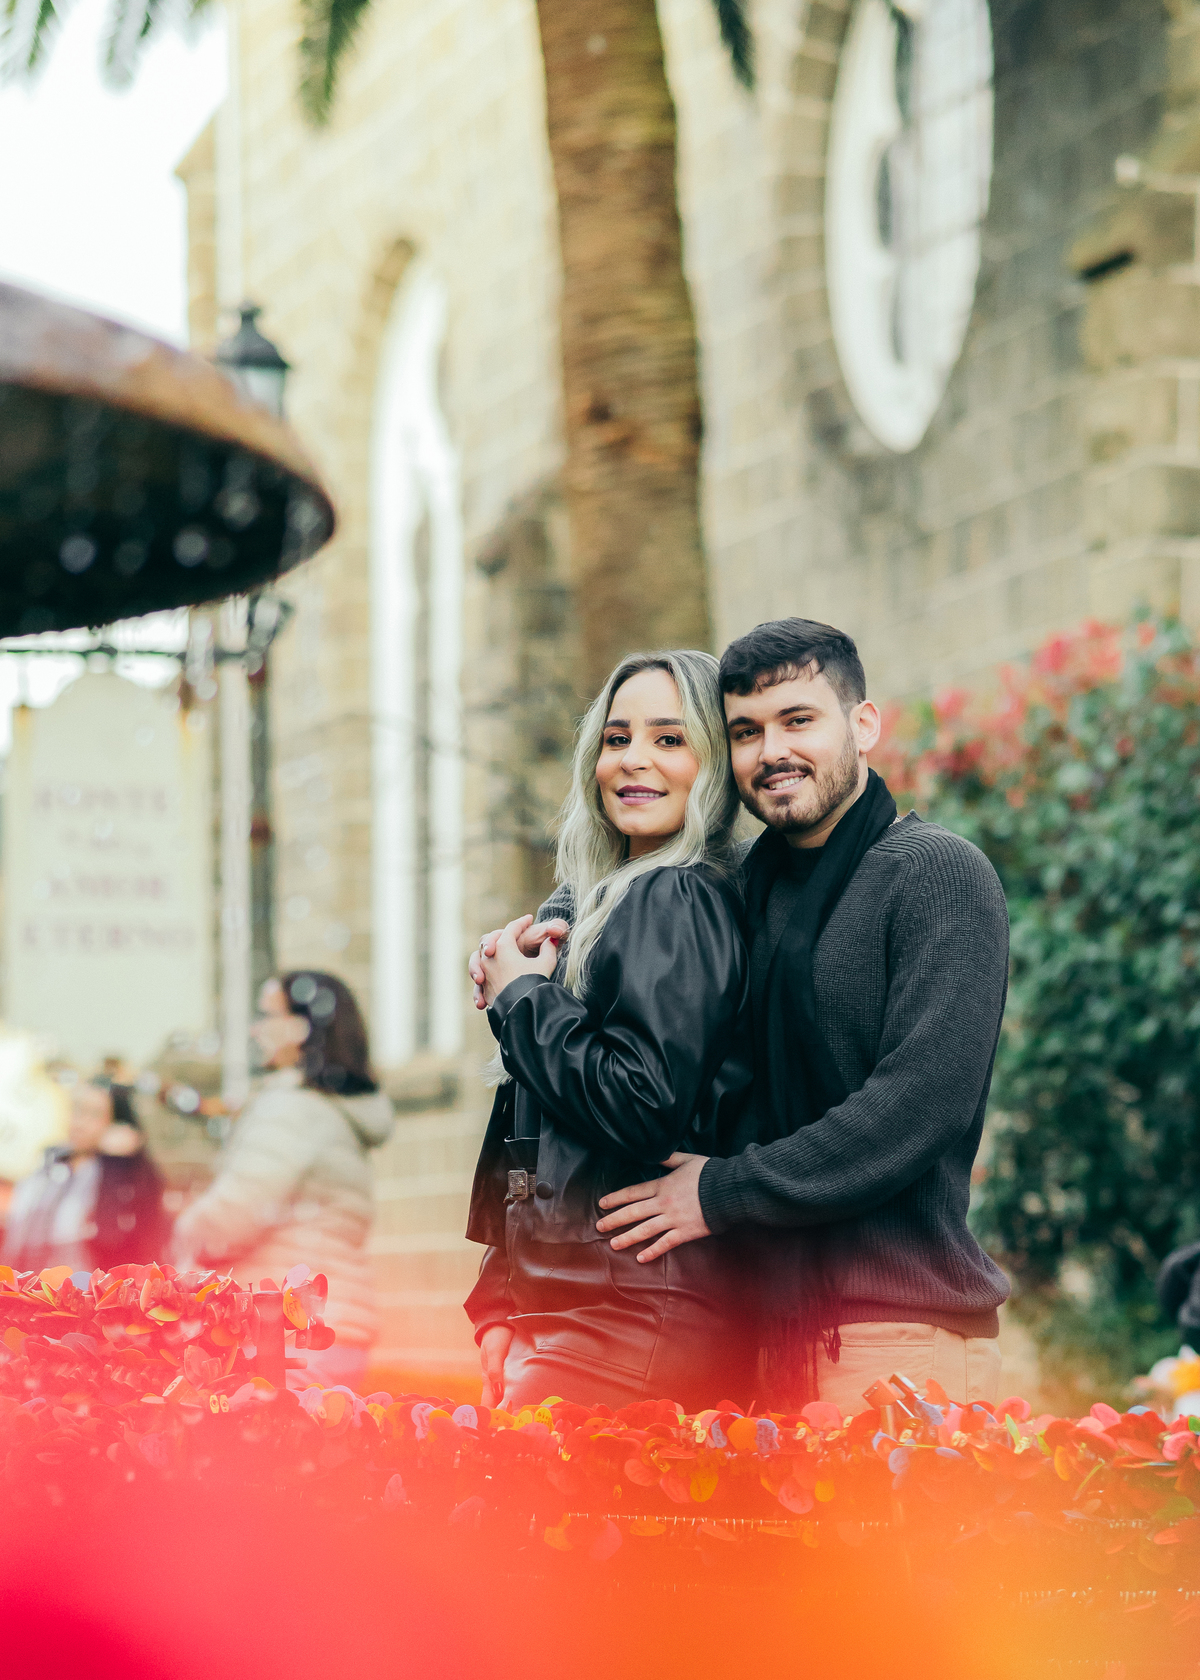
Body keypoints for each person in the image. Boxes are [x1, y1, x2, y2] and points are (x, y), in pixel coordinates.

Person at [597, 618, 1012, 1414]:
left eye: (798, 721)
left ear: (863, 725)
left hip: (894, 1333)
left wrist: (723, 1191)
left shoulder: (936, 874)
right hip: (759, 1336)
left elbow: (918, 1105)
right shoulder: (748, 892)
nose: (771, 752)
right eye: (746, 732)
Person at [465, 650, 755, 1411]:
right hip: (589, 1310)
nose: (634, 761)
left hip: (629, 1316)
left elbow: (642, 1101)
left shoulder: (675, 897)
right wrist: (501, 1295)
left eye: (669, 739)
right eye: (617, 737)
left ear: (712, 765)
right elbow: (547, 1129)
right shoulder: (607, 906)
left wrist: (523, 1001)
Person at [173, 971, 394, 1392]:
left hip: (286, 1337)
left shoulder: (291, 1109)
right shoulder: (329, 1107)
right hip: (327, 1327)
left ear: (303, 1028)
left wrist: (184, 1230)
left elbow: (235, 1215)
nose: (257, 1029)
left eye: (268, 1015)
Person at [3, 1078, 169, 1275]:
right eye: (76, 1109)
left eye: (94, 1114)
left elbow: (111, 1237)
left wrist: (115, 1164)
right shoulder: (49, 1165)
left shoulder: (123, 1176)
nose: (79, 1123)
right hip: (26, 1289)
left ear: (118, 1124)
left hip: (81, 1295)